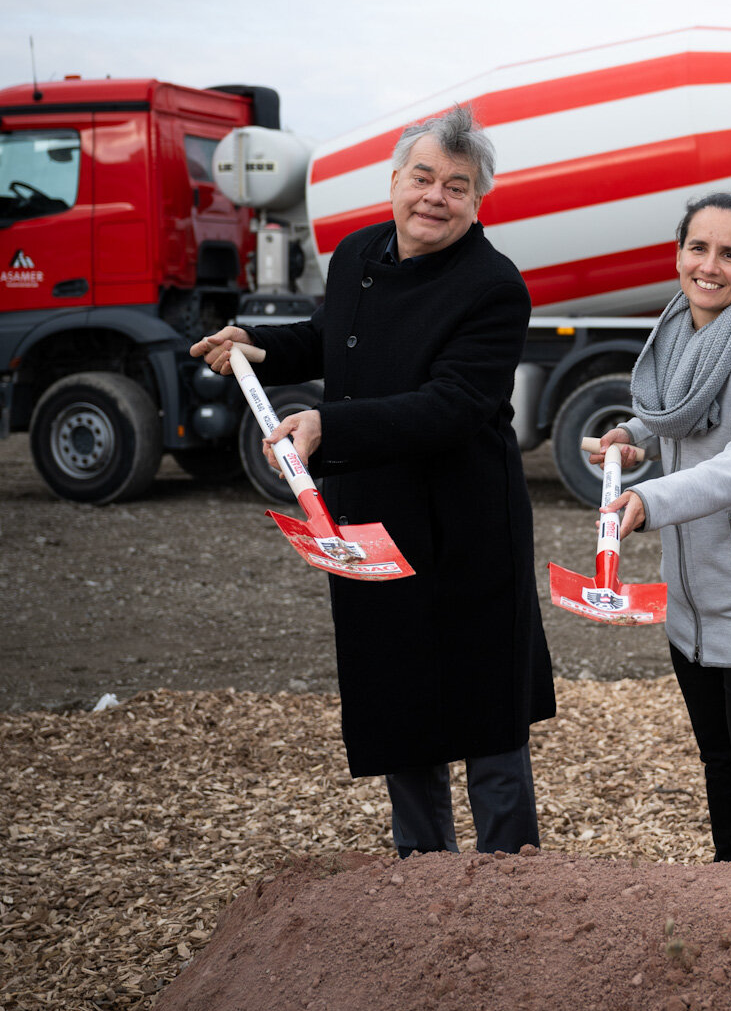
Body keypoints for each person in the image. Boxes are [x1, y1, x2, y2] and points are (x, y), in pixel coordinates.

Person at [193, 105, 554, 858]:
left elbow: (454, 404)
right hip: (371, 522)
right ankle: (420, 878)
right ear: (394, 182)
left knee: (489, 718)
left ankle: (516, 891)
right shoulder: (357, 254)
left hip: (467, 532)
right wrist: (254, 342)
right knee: (399, 709)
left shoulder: (494, 287)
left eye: (457, 187)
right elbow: (331, 339)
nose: (436, 196)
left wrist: (331, 426)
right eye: (422, 177)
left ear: (477, 202)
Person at [592, 193, 731, 865]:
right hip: (692, 607)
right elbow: (680, 419)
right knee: (720, 773)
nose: (710, 266)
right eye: (698, 248)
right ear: (679, 254)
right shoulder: (680, 331)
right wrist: (635, 435)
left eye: (729, 253)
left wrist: (648, 501)